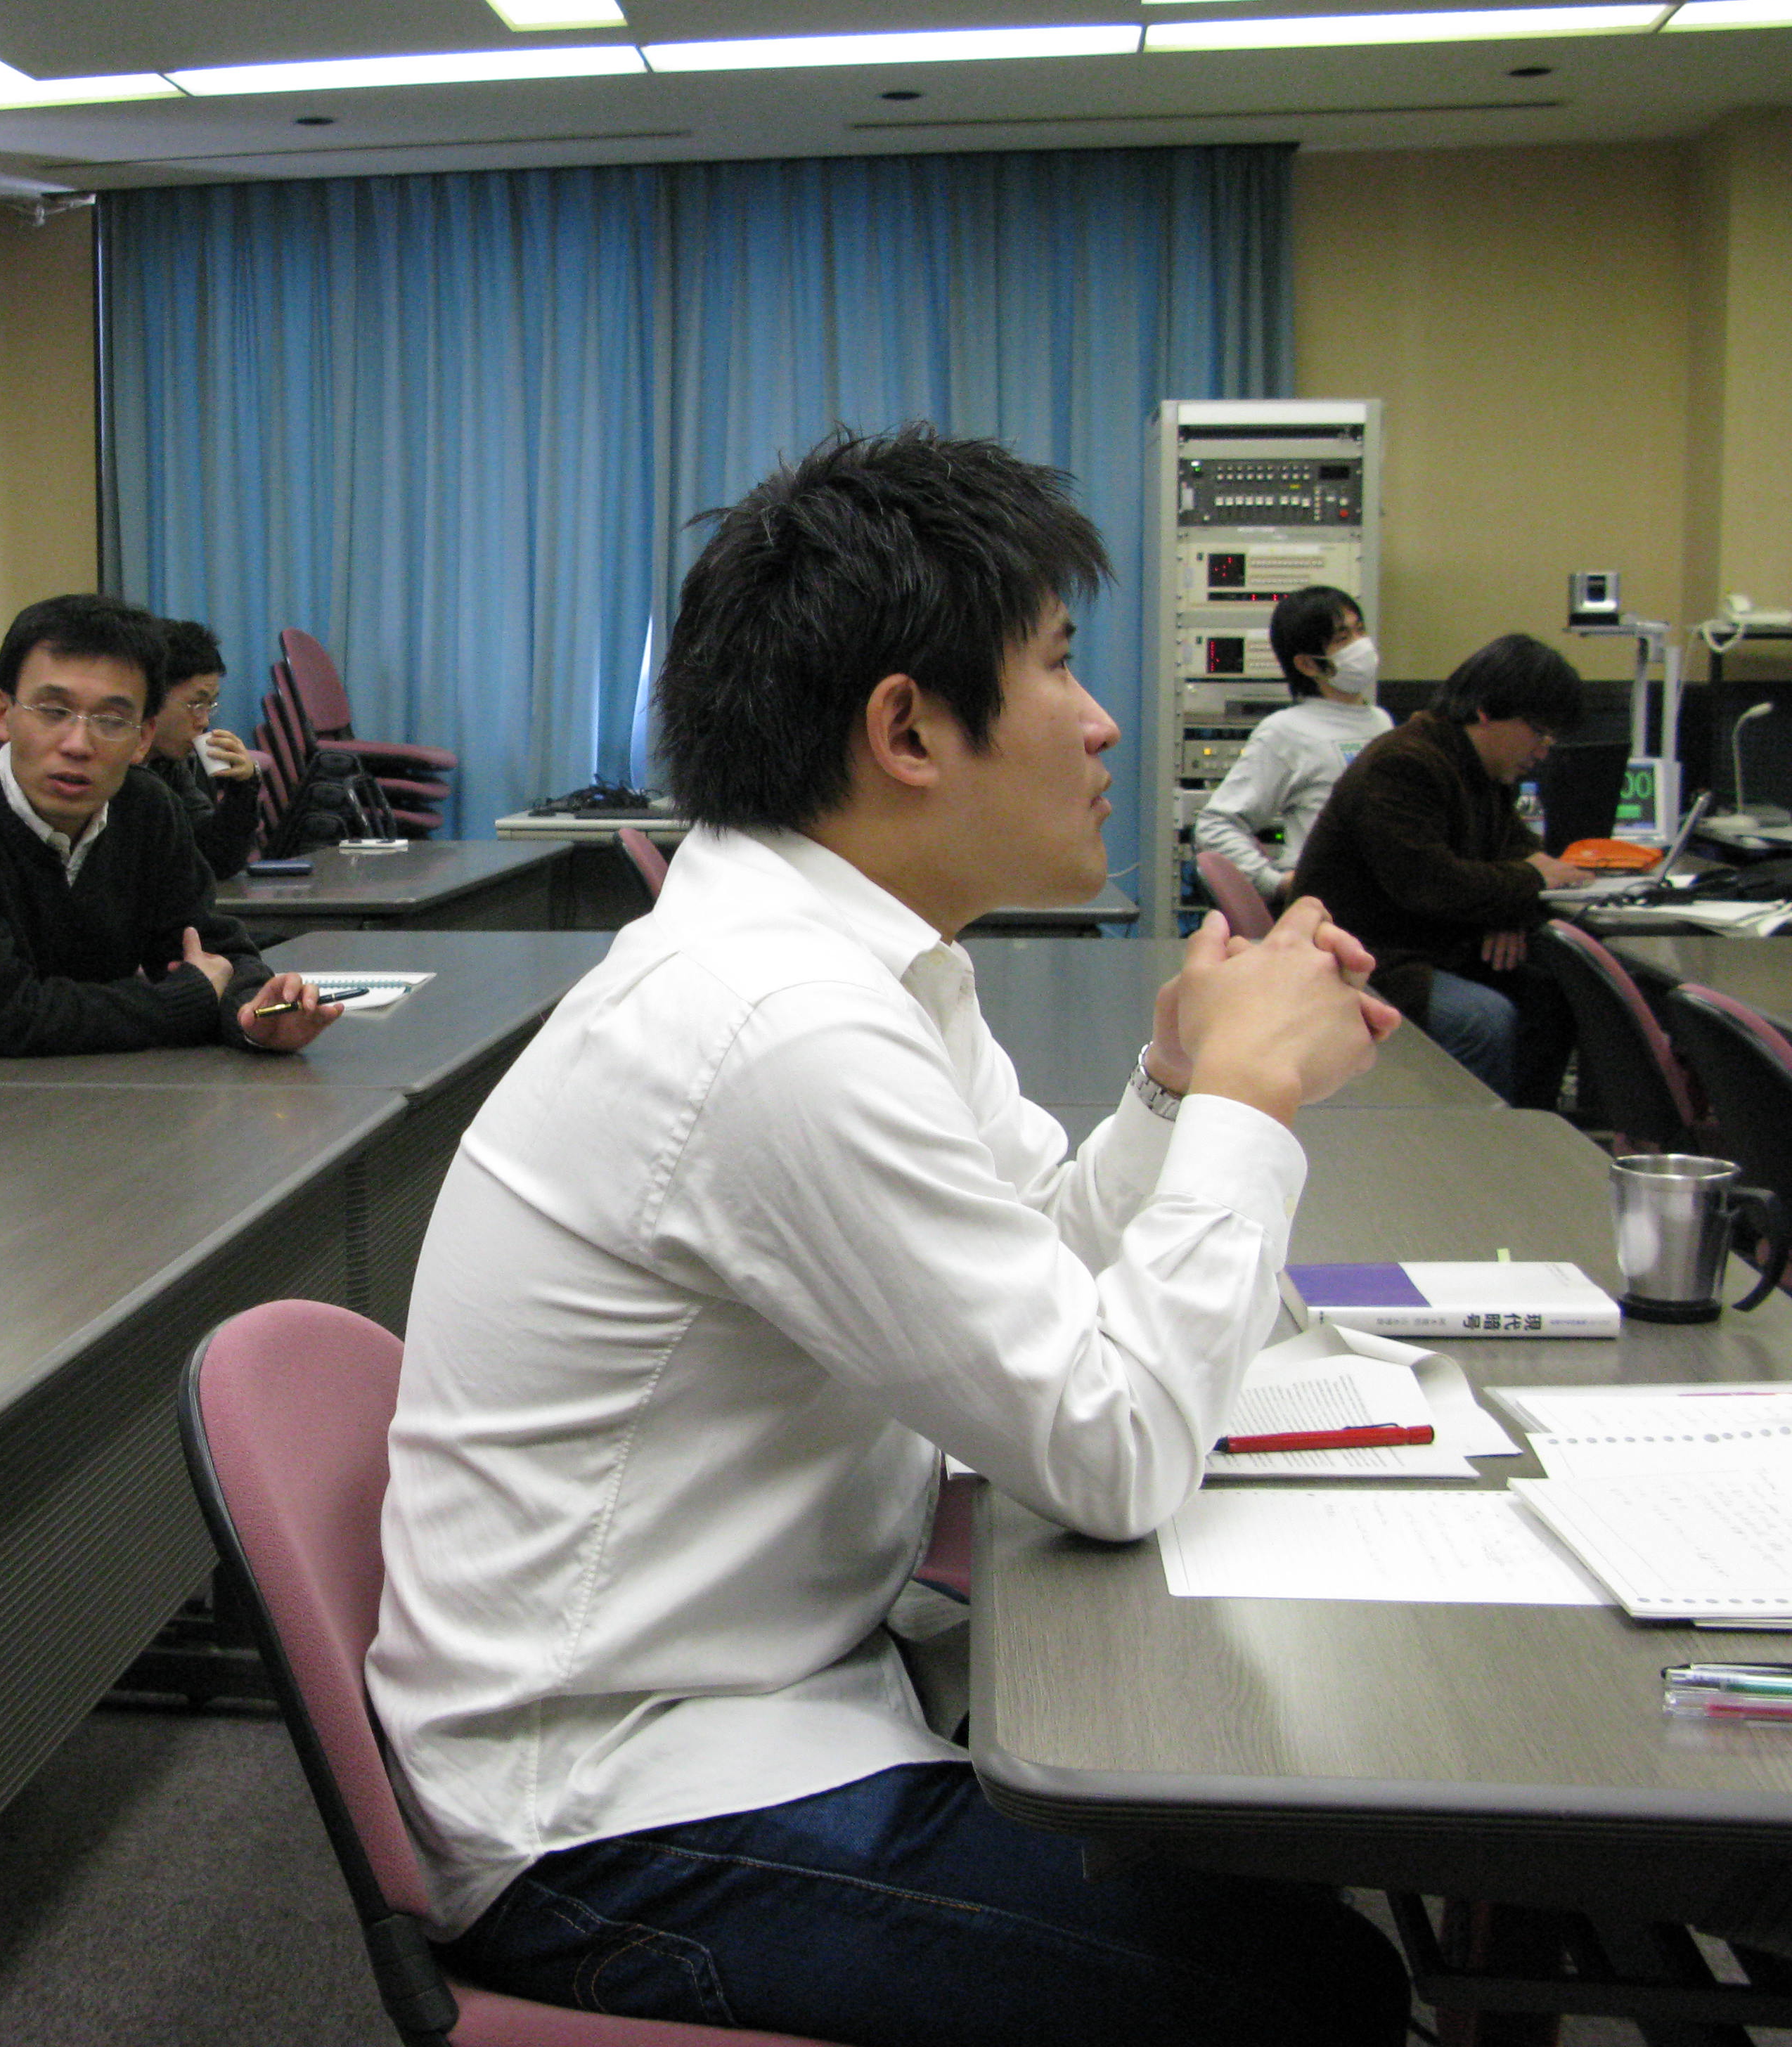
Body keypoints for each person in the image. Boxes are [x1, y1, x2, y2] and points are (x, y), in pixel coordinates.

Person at [366, 427, 1410, 2047]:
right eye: (1056, 663)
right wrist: (1247, 1103)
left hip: (784, 1690)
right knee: (1312, 1984)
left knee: (1260, 1841)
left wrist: (1170, 1085)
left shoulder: (860, 961)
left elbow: (1040, 1264)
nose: (1099, 720)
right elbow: (1110, 1449)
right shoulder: (776, 1022)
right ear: (906, 728)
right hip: (616, 1812)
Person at [0, 593, 340, 1098]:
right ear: (3, 714)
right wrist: (187, 1000)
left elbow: (213, 950)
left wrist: (254, 1013)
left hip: (88, 1097)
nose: (78, 744)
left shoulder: (146, 807)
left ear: (143, 737)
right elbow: (3, 1015)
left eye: (112, 720)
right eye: (53, 711)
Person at [1290, 631, 1591, 1107]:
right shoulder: (1405, 764)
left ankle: (1528, 1131)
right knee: (1482, 1019)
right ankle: (1473, 1142)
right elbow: (1432, 885)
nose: (1544, 749)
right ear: (1487, 711)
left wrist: (1510, 909)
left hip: (1425, 946)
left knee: (1556, 991)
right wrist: (1527, 884)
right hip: (1364, 960)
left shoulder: (1479, 769)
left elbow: (1522, 857)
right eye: (1539, 730)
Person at [1192, 585, 1391, 902]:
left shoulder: (1380, 721)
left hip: (1379, 895)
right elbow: (1215, 825)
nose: (1360, 645)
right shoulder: (1286, 731)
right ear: (1308, 665)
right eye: (1343, 639)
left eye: (1360, 630)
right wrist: (1275, 882)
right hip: (1326, 903)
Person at [138, 619, 264, 879]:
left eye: (210, 706)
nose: (204, 721)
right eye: (196, 704)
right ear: (149, 698)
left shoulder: (170, 764)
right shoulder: (107, 769)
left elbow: (215, 861)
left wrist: (243, 788)